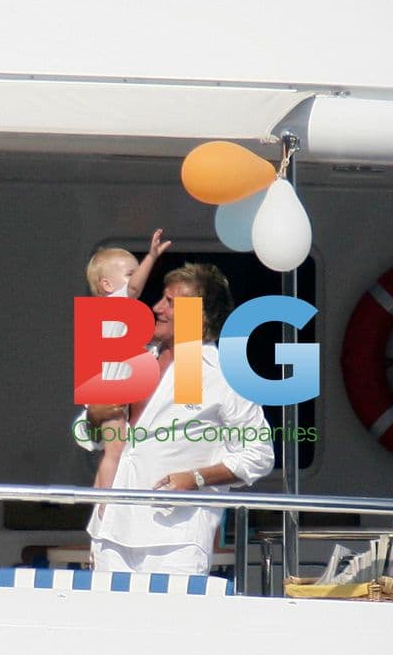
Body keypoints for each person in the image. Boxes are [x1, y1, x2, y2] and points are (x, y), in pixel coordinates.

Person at [74, 262, 275, 574]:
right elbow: (86, 435)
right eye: (160, 299)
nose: (156, 308)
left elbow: (259, 455)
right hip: (110, 529)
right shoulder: (135, 356)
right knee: (109, 623)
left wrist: (195, 478)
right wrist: (93, 417)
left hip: (176, 538)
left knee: (171, 622)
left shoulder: (224, 375)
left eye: (170, 303)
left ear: (201, 315)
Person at [85, 229, 171, 491]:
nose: (137, 282)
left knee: (113, 451)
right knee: (115, 452)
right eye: (129, 274)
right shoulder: (113, 305)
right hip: (111, 391)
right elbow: (133, 289)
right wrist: (152, 256)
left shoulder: (116, 317)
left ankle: (102, 498)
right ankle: (106, 503)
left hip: (110, 389)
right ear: (107, 286)